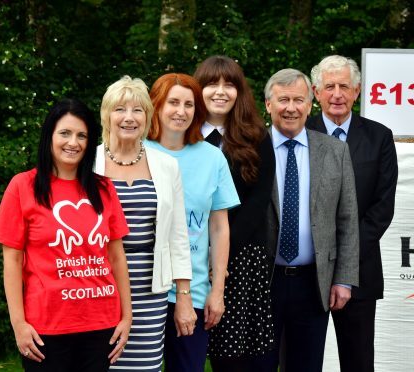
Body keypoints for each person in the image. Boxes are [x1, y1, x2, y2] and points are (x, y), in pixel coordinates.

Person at [0, 98, 132, 371]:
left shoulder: (104, 189)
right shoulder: (23, 186)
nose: (73, 142)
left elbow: (116, 256)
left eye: (82, 135)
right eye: (64, 133)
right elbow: (12, 262)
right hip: (46, 328)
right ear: (49, 136)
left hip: (101, 323)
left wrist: (127, 316)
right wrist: (18, 324)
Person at [94, 75, 195, 371]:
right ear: (106, 115)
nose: (129, 118)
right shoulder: (88, 162)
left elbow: (177, 236)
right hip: (99, 284)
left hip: (150, 289)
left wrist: (184, 298)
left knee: (144, 365)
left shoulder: (166, 166)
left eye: (138, 110)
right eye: (120, 109)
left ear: (148, 117)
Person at [262, 68, 359, 372]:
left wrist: (343, 278)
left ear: (309, 105)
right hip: (264, 281)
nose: (291, 108)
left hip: (314, 281)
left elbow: (348, 219)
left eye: (298, 100)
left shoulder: (335, 151)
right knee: (259, 364)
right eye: (283, 100)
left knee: (306, 365)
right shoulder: (251, 150)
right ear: (268, 104)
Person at [306, 55, 398, 372]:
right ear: (316, 93)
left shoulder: (379, 138)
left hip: (359, 274)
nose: (337, 94)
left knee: (358, 362)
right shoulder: (296, 136)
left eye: (344, 86)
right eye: (329, 86)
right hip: (304, 273)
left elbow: (381, 209)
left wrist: (343, 264)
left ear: (357, 91)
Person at [145, 73, 240, 372]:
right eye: (173, 102)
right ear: (156, 107)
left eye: (189, 104)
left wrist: (218, 290)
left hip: (193, 292)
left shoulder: (213, 158)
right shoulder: (137, 152)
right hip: (141, 288)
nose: (181, 111)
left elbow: (219, 227)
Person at [194, 55, 276, 371]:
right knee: (186, 349)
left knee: (233, 357)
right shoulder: (181, 137)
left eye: (229, 84)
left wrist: (220, 258)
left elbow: (257, 204)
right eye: (212, 83)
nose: (220, 91)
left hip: (240, 260)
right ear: (198, 89)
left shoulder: (257, 137)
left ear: (239, 92)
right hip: (188, 258)